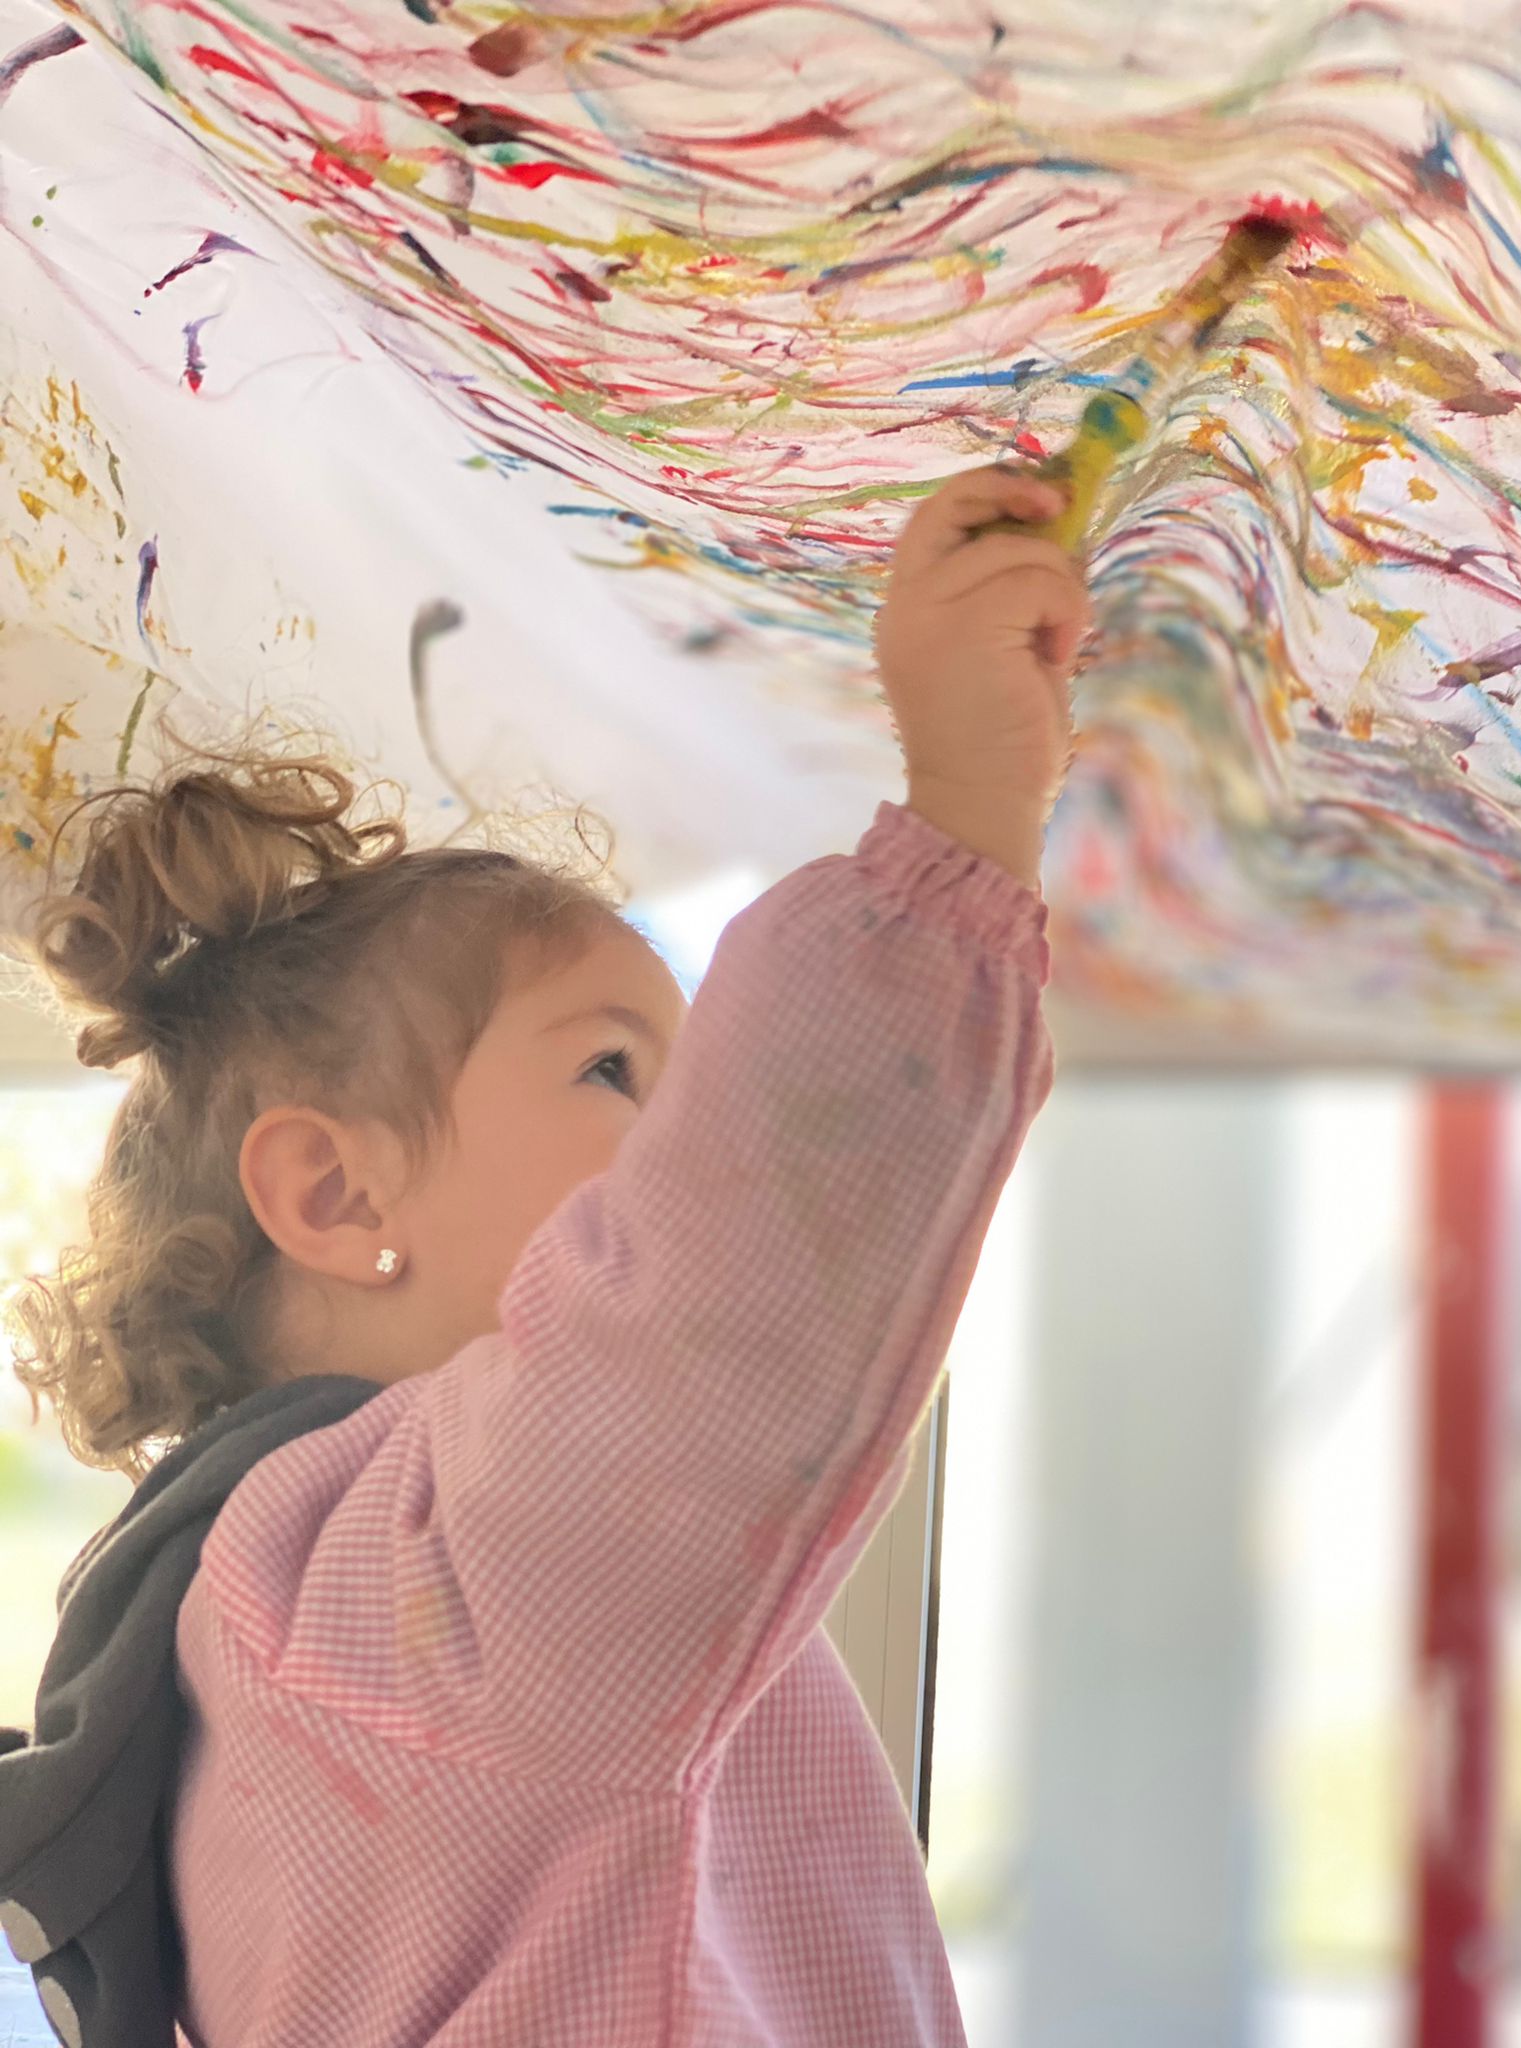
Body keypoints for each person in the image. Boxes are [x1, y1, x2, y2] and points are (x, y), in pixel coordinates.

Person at [0, 462, 1091, 2048]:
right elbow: (725, 1295)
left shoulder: (262, 1623)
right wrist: (965, 824)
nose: (691, 1130)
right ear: (335, 1195)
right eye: (614, 1072)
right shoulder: (410, 1576)